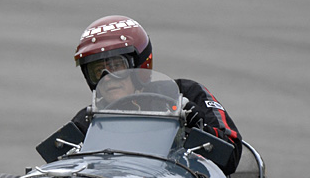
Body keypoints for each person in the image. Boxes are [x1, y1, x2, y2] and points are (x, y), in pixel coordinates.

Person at [71, 15, 243, 163]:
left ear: (140, 65)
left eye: (117, 66)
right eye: (96, 71)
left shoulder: (186, 94)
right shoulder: (89, 120)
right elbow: (60, 165)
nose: (107, 78)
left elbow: (232, 155)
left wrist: (199, 129)